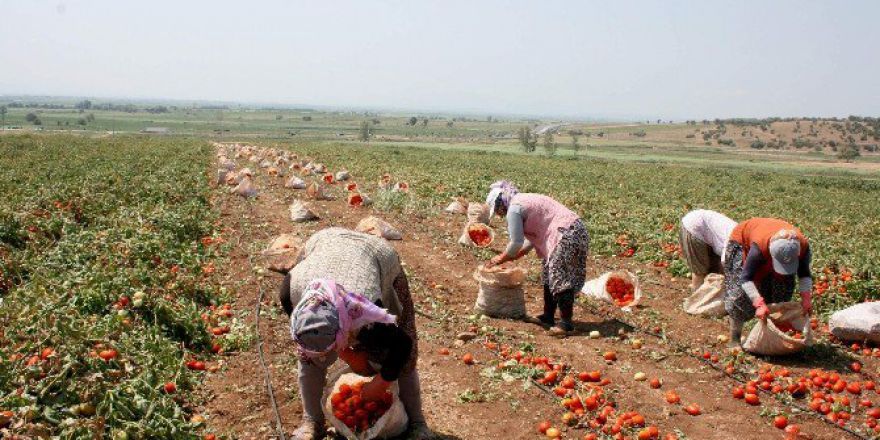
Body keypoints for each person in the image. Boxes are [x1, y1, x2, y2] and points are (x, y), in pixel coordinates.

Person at [278, 228, 432, 440]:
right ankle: (311, 421)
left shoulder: (368, 314)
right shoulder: (290, 292)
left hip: (376, 256)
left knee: (404, 353)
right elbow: (314, 339)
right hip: (326, 242)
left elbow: (402, 345)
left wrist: (382, 381)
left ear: (345, 328)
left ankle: (417, 422)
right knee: (308, 358)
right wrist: (345, 353)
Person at [483, 181, 590, 337]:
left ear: (501, 203)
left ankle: (567, 324)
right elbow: (527, 243)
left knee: (559, 277)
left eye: (498, 211)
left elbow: (516, 242)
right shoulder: (523, 200)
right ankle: (548, 317)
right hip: (575, 230)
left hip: (566, 233)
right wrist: (514, 256)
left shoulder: (514, 208)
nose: (499, 215)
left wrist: (500, 258)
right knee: (549, 273)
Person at [723, 217, 813, 348]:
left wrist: (806, 299)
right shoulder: (758, 248)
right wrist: (759, 304)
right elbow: (745, 278)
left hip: (771, 244)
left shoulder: (802, 247)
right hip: (743, 241)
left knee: (783, 290)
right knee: (741, 295)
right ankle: (735, 338)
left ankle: (773, 337)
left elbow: (804, 273)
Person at [679, 209, 737, 290]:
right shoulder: (735, 242)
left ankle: (706, 291)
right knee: (699, 270)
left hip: (703, 225)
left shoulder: (742, 238)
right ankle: (697, 298)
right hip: (695, 226)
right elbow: (725, 263)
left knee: (714, 270)